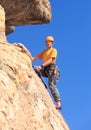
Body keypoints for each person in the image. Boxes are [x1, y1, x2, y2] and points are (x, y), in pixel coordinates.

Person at [32, 36, 62, 109]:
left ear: (52, 43)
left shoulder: (54, 50)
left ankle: (58, 103)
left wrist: (42, 66)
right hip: (46, 69)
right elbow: (36, 57)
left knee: (51, 85)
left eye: (49, 41)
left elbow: (51, 60)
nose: (48, 43)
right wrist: (29, 58)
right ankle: (42, 84)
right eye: (47, 41)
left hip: (52, 69)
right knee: (35, 70)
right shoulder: (44, 52)